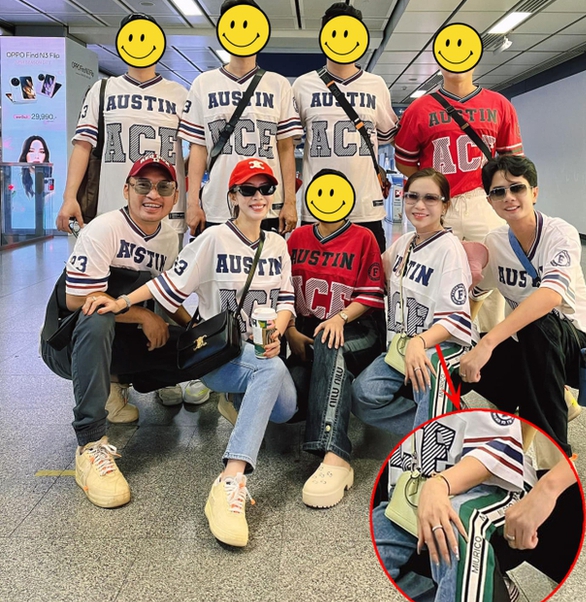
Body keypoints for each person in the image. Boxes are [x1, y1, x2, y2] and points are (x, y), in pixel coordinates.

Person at [88, 158, 297, 547]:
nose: (258, 197)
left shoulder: (278, 244)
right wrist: (123, 302)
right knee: (269, 373)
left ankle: (242, 399)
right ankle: (230, 479)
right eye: (248, 190)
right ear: (233, 196)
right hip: (221, 356)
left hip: (262, 351)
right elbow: (169, 284)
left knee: (286, 410)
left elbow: (286, 299)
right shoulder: (214, 239)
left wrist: (279, 330)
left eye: (266, 189)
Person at [54, 13, 202, 407]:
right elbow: (83, 146)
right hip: (113, 209)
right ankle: (114, 380)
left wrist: (191, 201)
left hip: (165, 211)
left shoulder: (179, 93)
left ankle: (158, 369)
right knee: (106, 295)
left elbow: (192, 153)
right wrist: (69, 196)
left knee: (158, 285)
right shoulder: (102, 89)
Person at [40, 155, 185, 509]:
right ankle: (90, 444)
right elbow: (77, 300)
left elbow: (165, 294)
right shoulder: (104, 228)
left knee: (191, 348)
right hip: (68, 345)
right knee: (97, 313)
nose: (153, 194)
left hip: (117, 340)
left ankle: (115, 385)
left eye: (164, 187)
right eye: (143, 185)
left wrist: (197, 330)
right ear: (126, 190)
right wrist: (142, 315)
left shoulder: (169, 238)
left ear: (175, 195)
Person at [458, 154, 586, 456]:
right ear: (489, 201)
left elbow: (550, 296)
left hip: (581, 350)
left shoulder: (560, 234)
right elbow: (477, 293)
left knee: (536, 325)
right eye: (498, 192)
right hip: (535, 348)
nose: (508, 197)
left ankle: (556, 461)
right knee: (459, 357)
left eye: (517, 188)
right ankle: (508, 428)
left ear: (534, 193)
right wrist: (465, 340)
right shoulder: (495, 242)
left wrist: (487, 342)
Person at [371, 411, 582, 602]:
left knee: (457, 531)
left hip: (492, 480)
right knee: (376, 541)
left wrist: (439, 484)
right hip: (419, 483)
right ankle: (485, 588)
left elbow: (499, 448)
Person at [393, 31, 523, 330]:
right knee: (434, 272)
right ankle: (434, 340)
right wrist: (430, 191)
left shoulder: (499, 104)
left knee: (492, 276)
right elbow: (405, 162)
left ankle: (488, 344)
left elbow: (512, 163)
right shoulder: (419, 108)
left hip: (482, 200)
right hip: (440, 203)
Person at [286, 169, 385, 508]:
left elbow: (372, 294)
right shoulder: (297, 238)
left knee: (331, 342)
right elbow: (283, 293)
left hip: (357, 329)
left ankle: (335, 454)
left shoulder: (363, 237)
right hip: (306, 331)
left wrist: (339, 318)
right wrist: (290, 331)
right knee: (292, 396)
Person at [352, 169, 473, 435]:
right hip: (402, 344)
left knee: (426, 373)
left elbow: (455, 318)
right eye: (412, 196)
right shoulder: (405, 243)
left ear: (445, 205)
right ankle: (446, 424)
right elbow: (374, 274)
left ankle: (427, 446)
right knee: (362, 396)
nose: (419, 205)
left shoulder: (449, 249)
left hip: (442, 344)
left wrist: (420, 342)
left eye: (430, 198)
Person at [178, 0, 301, 236]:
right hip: (217, 205)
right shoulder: (203, 83)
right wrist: (192, 204)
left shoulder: (278, 84)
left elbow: (286, 148)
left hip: (267, 204)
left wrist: (289, 202)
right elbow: (198, 148)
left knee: (266, 261)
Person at [292, 2, 398, 252]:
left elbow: (389, 136)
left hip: (365, 208)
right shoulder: (302, 85)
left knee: (370, 276)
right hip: (317, 206)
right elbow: (286, 144)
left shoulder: (376, 84)